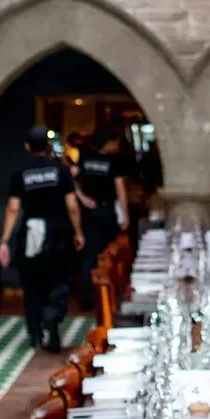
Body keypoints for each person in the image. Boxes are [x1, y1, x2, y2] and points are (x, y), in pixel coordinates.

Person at [0, 125, 85, 352]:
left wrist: (5, 240)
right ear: (47, 147)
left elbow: (13, 209)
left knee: (32, 283)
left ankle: (34, 331)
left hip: (30, 235)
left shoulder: (20, 174)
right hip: (58, 233)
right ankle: (52, 322)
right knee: (59, 280)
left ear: (27, 146)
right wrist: (78, 232)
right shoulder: (60, 171)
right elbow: (72, 206)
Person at [74, 128, 129, 303]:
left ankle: (88, 297)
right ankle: (107, 297)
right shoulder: (114, 161)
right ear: (109, 142)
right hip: (106, 211)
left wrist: (82, 199)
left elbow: (70, 180)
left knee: (89, 255)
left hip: (88, 212)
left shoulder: (85, 158)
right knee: (108, 255)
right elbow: (120, 189)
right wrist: (125, 215)